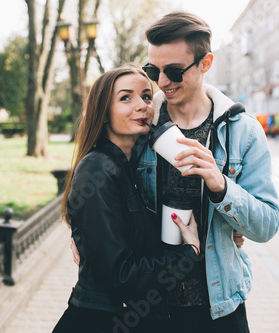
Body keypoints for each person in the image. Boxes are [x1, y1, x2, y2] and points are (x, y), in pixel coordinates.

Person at [134, 11, 279, 332]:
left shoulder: (243, 131)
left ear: (206, 63)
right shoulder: (140, 125)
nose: (161, 82)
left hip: (221, 307)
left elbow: (267, 225)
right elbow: (103, 187)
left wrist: (222, 188)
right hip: (151, 307)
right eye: (152, 70)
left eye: (173, 71)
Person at [53, 65, 202, 333]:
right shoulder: (97, 169)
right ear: (104, 112)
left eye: (147, 96)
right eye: (125, 98)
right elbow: (121, 273)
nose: (142, 106)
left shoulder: (132, 167)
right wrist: (187, 253)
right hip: (98, 320)